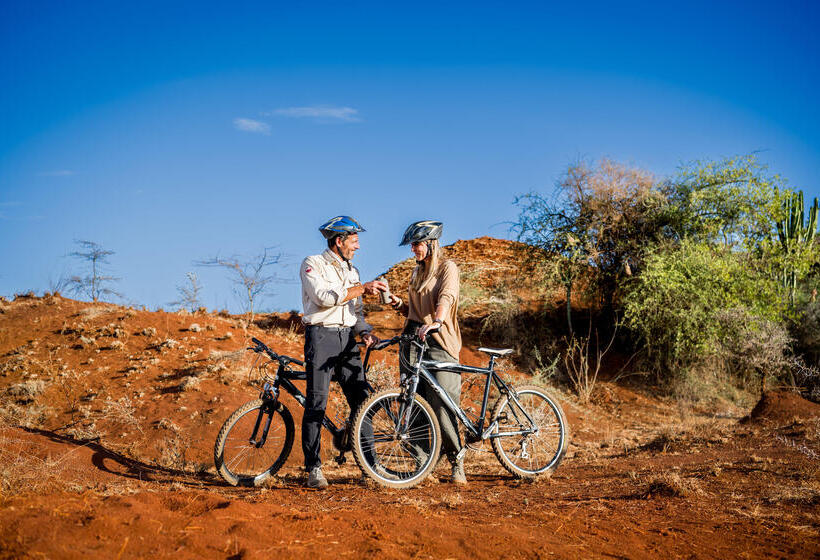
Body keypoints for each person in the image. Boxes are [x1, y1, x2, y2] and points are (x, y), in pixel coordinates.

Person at [300, 215, 386, 489]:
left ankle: (370, 467)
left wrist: (364, 332)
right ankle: (314, 469)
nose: (358, 247)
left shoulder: (353, 271)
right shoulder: (313, 263)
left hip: (348, 339)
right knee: (316, 403)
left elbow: (356, 310)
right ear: (339, 241)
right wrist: (362, 288)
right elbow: (324, 298)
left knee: (363, 403)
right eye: (354, 240)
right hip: (321, 336)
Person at [389, 220, 466, 484]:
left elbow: (447, 297)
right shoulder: (416, 272)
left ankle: (456, 460)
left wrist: (438, 321)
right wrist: (394, 300)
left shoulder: (447, 268)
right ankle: (422, 462)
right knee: (414, 402)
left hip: (439, 341)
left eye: (416, 244)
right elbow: (414, 311)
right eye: (412, 245)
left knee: (442, 404)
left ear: (431, 243)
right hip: (413, 342)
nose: (413, 249)